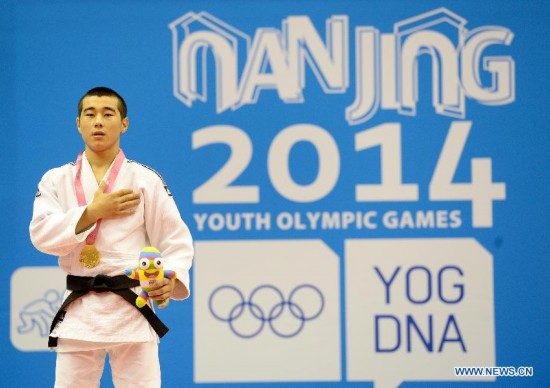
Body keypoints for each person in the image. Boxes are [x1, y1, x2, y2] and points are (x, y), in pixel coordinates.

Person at [29, 86, 194, 388]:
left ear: (124, 123)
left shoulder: (145, 180)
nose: (99, 122)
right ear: (78, 123)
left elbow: (175, 239)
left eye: (108, 114)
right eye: (89, 114)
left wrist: (170, 278)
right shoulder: (56, 180)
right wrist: (91, 212)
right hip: (80, 310)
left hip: (133, 305)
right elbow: (41, 234)